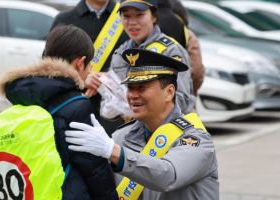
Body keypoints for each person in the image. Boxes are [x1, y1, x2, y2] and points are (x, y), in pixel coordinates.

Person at [65, 48, 219, 200]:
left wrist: (114, 152)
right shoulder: (122, 137)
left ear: (169, 92)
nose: (133, 95)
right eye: (130, 88)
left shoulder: (196, 140)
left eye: (142, 88)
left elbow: (168, 175)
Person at [0, 25, 118, 199]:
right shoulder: (77, 105)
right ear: (80, 62)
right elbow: (94, 168)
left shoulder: (21, 94)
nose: (90, 70)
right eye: (89, 65)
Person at [50, 0, 129, 134]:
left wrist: (108, 79)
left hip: (116, 115)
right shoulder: (65, 19)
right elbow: (50, 65)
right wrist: (80, 78)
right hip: (73, 111)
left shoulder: (127, 17)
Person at [109, 0, 195, 115]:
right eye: (126, 16)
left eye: (139, 15)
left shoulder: (171, 50)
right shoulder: (120, 53)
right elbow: (111, 97)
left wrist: (144, 106)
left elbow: (182, 99)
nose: (132, 22)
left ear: (154, 16)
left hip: (168, 127)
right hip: (133, 128)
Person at [169, 0, 205, 96]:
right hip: (182, 97)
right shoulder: (187, 35)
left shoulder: (147, 33)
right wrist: (191, 92)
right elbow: (197, 71)